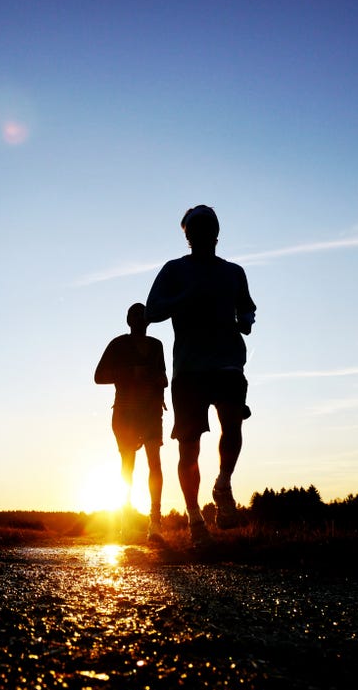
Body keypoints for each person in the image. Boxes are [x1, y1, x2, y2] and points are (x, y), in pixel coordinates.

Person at [145, 205, 256, 544]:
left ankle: (223, 483)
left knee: (233, 423)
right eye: (195, 229)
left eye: (208, 228)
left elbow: (247, 306)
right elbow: (151, 310)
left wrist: (246, 321)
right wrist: (184, 296)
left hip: (227, 361)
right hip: (189, 368)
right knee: (188, 449)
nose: (202, 234)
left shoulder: (234, 272)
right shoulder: (174, 270)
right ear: (187, 235)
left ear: (216, 233)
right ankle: (195, 520)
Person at [95, 302, 168, 542]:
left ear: (149, 319)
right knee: (128, 466)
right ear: (127, 320)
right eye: (133, 314)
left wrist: (155, 380)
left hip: (151, 412)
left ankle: (154, 522)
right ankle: (125, 520)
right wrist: (130, 373)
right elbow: (98, 376)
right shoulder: (118, 344)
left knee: (154, 463)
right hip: (125, 413)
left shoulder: (157, 346)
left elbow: (164, 378)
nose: (138, 318)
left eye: (143, 314)